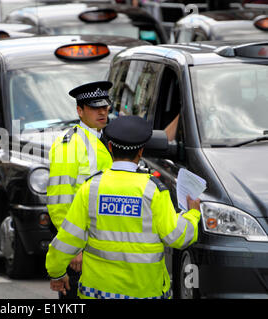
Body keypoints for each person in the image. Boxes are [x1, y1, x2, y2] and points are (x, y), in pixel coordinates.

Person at [46, 115, 201, 299]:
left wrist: (57, 273)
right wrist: (192, 214)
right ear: (141, 151)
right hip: (145, 293)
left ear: (110, 148)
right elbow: (177, 237)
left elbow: (67, 238)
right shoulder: (153, 191)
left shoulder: (91, 188)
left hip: (96, 293)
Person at [46, 81, 113, 299]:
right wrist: (73, 248)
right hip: (81, 247)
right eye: (95, 107)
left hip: (101, 245)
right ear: (80, 111)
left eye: (105, 106)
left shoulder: (106, 138)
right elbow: (59, 202)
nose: (102, 111)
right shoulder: (70, 145)